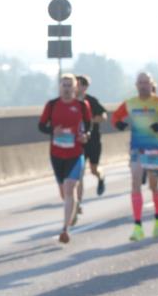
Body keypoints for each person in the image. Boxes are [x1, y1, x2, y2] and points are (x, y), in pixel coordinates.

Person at [111, 72, 158, 241]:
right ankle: (138, 226)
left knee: (153, 186)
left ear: (152, 84)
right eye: (140, 83)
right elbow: (115, 117)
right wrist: (118, 123)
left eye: (146, 83)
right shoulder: (130, 103)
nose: (143, 86)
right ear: (136, 85)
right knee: (135, 184)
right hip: (137, 149)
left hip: (154, 149)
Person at [39, 74, 92, 244]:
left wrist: (86, 136)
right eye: (64, 85)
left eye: (70, 85)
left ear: (75, 88)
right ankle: (73, 208)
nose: (67, 88)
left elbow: (88, 127)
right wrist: (53, 131)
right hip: (56, 154)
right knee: (64, 193)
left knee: (70, 189)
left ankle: (65, 229)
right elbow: (41, 125)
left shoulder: (82, 106)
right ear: (59, 87)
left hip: (75, 154)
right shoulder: (52, 105)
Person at [75, 75, 108, 199]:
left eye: (81, 85)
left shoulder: (91, 101)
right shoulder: (71, 101)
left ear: (85, 87)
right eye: (76, 84)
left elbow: (104, 116)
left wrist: (91, 120)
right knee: (79, 173)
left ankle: (101, 177)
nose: (78, 87)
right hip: (79, 142)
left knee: (94, 169)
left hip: (93, 140)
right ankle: (77, 202)